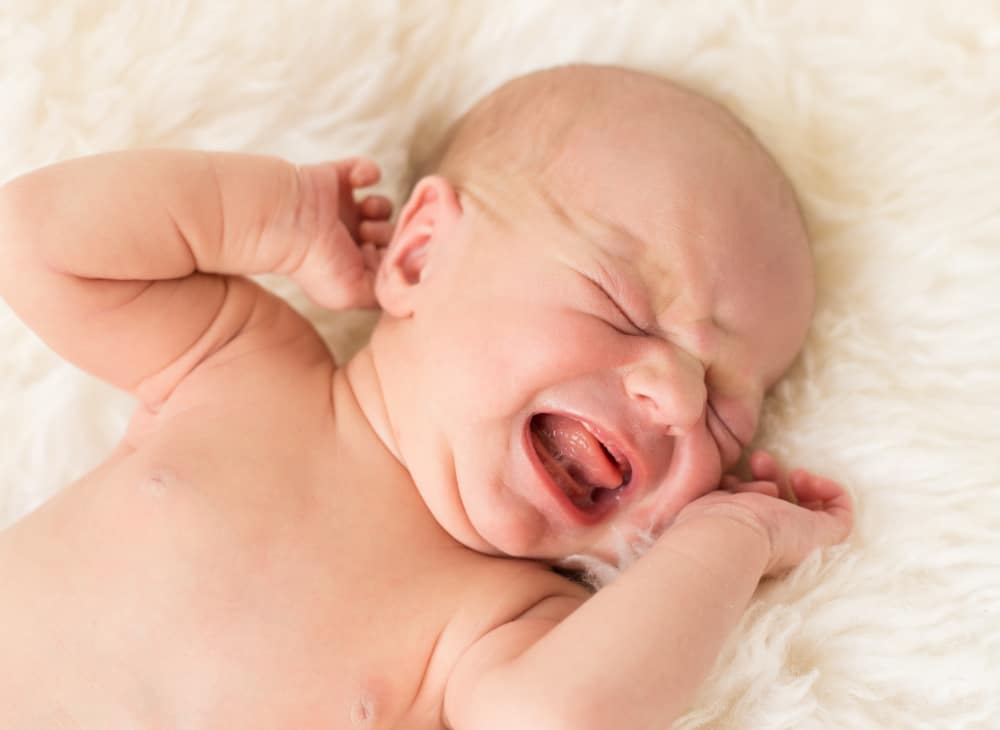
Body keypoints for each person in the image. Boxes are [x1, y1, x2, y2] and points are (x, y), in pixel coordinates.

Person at [0, 64, 852, 729]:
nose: (671, 393)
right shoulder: (242, 366)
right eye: (623, 305)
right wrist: (282, 218)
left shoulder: (503, 620)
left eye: (721, 413)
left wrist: (730, 542)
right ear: (418, 255)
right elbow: (37, 242)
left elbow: (565, 717)